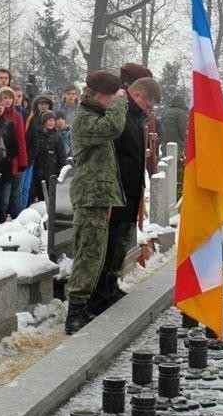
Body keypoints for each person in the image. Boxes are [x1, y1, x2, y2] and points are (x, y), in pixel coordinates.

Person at [91, 75, 161, 315]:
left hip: (130, 190)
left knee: (120, 243)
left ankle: (111, 285)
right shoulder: (120, 113)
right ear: (137, 95)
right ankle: (99, 294)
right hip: (116, 190)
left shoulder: (134, 116)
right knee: (108, 243)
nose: (149, 111)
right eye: (148, 105)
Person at [65, 71, 127, 335]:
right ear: (100, 95)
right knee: (88, 254)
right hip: (89, 197)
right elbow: (114, 128)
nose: (114, 101)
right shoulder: (85, 119)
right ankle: (75, 313)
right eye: (111, 97)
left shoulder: (95, 116)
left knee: (96, 253)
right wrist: (120, 103)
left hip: (98, 196)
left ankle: (85, 305)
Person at [0, 86, 28, 218]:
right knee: (0, 195)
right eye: (5, 97)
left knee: (14, 194)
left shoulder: (17, 116)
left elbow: (21, 140)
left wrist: (23, 162)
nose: (8, 100)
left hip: (14, 161)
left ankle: (14, 219)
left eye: (11, 97)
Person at [0, 93, 19, 222]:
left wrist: (7, 158)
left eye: (2, 105)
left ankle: (1, 223)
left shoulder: (9, 124)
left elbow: (15, 145)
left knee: (4, 201)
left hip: (6, 168)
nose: (0, 108)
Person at [30, 110, 67, 202]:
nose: (52, 123)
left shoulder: (57, 136)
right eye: (49, 120)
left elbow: (62, 156)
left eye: (53, 120)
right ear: (44, 121)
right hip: (37, 172)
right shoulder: (36, 134)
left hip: (52, 173)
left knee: (50, 199)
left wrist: (58, 171)